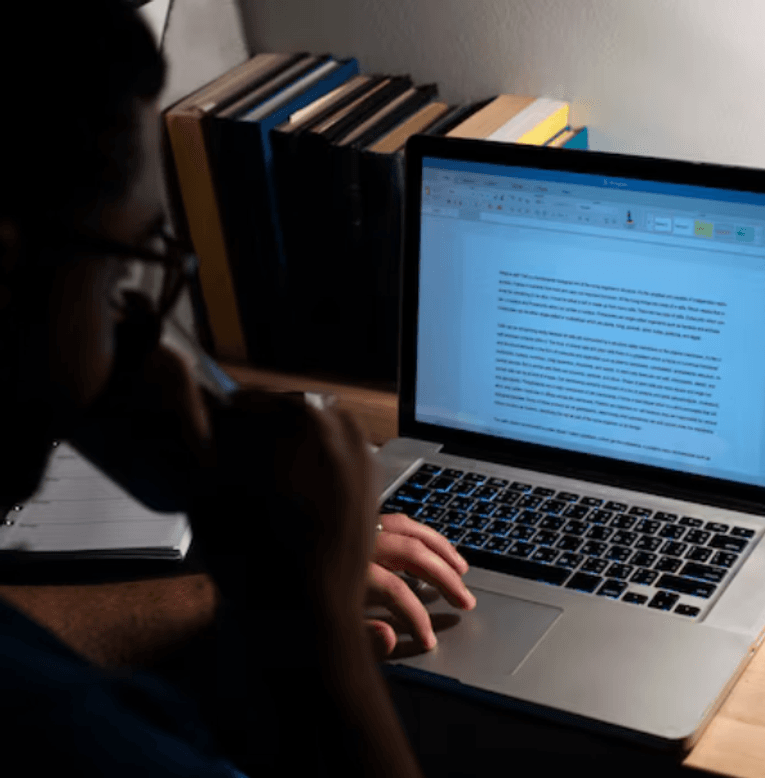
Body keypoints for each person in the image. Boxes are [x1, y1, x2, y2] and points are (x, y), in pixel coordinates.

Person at [0, 2, 475, 775]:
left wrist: (246, 584)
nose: (140, 335)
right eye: (123, 271)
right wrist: (320, 637)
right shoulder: (74, 735)